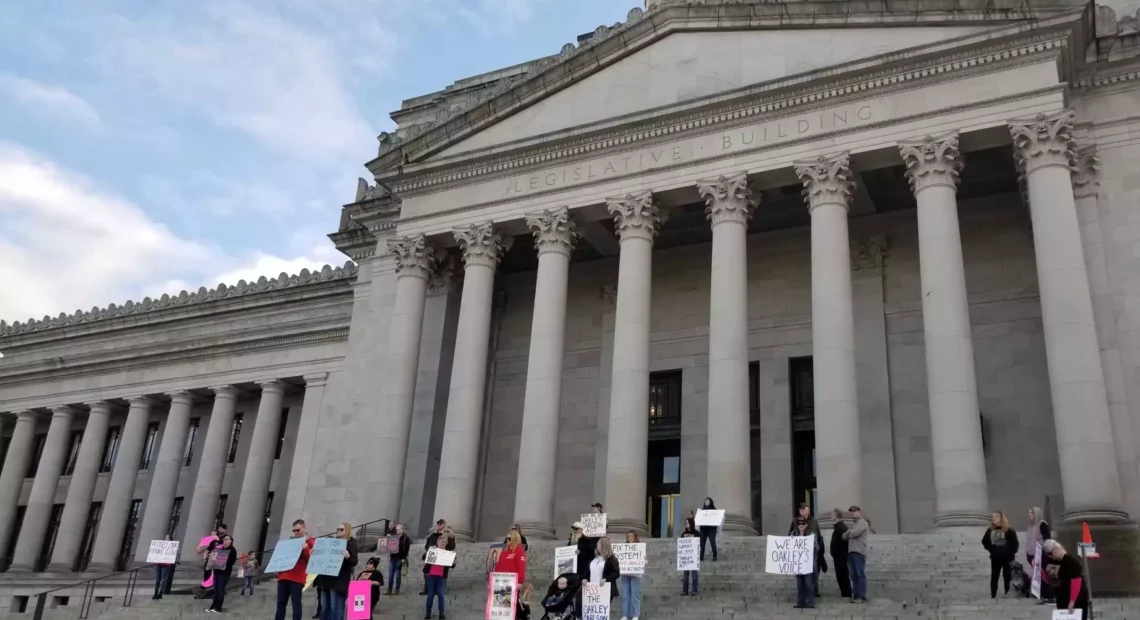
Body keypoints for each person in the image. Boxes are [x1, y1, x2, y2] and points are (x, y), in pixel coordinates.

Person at [316, 522, 360, 620]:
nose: (338, 531)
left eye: (341, 529)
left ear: (347, 531)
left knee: (335, 608)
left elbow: (354, 561)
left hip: (338, 581)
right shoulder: (332, 543)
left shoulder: (351, 543)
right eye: (337, 529)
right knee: (324, 607)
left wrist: (348, 556)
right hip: (326, 579)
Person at [276, 519, 316, 620]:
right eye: (294, 531)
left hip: (297, 578)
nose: (296, 533)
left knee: (296, 604)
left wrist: (306, 549)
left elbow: (312, 560)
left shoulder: (310, 542)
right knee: (280, 604)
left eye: (298, 530)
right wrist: (277, 568)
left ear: (304, 528)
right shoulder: (290, 542)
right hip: (284, 576)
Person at [1042, 540, 1089, 619]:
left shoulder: (1071, 562)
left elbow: (1076, 582)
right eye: (1048, 555)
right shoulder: (1052, 561)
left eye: (1051, 553)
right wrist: (1040, 572)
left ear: (1056, 548)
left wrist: (1072, 601)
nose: (1050, 556)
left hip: (1077, 598)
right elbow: (1051, 581)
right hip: (1061, 597)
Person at [787, 503, 823, 597]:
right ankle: (803, 592)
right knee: (801, 572)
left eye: (804, 509)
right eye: (800, 509)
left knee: (813, 571)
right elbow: (790, 534)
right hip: (799, 551)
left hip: (812, 550)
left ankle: (814, 590)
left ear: (808, 510)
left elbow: (818, 535)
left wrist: (820, 549)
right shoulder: (795, 521)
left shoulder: (814, 521)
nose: (802, 510)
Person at [982, 511, 1019, 598]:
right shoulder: (990, 530)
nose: (994, 518)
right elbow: (984, 541)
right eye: (993, 517)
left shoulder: (1009, 530)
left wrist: (1011, 551)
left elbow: (1015, 543)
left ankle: (1007, 592)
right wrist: (991, 549)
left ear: (1001, 518)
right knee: (994, 576)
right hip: (995, 557)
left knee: (1007, 576)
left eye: (996, 517)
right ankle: (993, 594)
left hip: (1008, 557)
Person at [1025, 506, 1054, 603]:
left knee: (1044, 574)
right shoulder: (1030, 526)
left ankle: (1049, 595)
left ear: (1036, 514)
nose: (1029, 515)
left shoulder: (1042, 524)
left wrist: (1046, 552)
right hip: (1031, 554)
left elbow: (1047, 539)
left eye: (1031, 513)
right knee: (1038, 575)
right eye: (1029, 513)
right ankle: (1040, 593)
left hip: (1041, 554)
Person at [793, 518, 822, 609]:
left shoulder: (811, 534)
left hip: (808, 564)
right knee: (800, 584)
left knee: (808, 583)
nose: (801, 525)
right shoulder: (793, 535)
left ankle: (810, 602)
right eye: (799, 523)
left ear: (806, 525)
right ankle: (801, 602)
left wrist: (810, 542)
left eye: (803, 523)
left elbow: (817, 548)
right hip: (798, 564)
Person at [842, 505, 869, 603]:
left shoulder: (862, 522)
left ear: (859, 511)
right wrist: (850, 532)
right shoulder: (854, 524)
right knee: (853, 575)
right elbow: (844, 536)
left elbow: (854, 533)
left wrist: (850, 532)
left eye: (854, 511)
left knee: (859, 574)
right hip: (851, 552)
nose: (852, 513)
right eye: (851, 511)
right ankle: (856, 595)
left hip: (859, 552)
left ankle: (861, 596)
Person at [424, 533, 454, 620]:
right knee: (430, 595)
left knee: (441, 595)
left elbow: (452, 565)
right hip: (431, 575)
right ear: (438, 541)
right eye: (442, 541)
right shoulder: (433, 550)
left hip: (441, 576)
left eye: (445, 542)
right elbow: (424, 558)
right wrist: (428, 553)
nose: (443, 543)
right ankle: (428, 613)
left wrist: (453, 559)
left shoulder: (447, 553)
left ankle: (441, 613)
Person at [420, 520, 454, 595]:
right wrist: (428, 550)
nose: (439, 525)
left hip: (443, 557)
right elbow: (428, 544)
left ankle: (439, 590)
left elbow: (451, 547)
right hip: (433, 555)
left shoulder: (449, 539)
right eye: (438, 524)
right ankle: (427, 589)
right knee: (428, 572)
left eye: (440, 524)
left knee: (442, 574)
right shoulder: (433, 535)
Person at [207, 535, 238, 613]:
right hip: (217, 571)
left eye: (227, 539)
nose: (225, 540)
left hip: (224, 572)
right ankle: (212, 607)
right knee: (216, 590)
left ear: (231, 541)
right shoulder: (221, 549)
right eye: (224, 539)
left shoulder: (232, 550)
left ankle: (218, 608)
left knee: (220, 590)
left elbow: (232, 561)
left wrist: (224, 560)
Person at [618, 531, 642, 620]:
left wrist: (644, 560)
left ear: (635, 537)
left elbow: (643, 558)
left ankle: (636, 615)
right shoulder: (624, 548)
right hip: (625, 574)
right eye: (628, 536)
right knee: (625, 595)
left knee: (635, 596)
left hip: (636, 574)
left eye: (632, 536)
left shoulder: (640, 547)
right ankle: (625, 615)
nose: (630, 538)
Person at [589, 537, 620, 603]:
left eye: (599, 543)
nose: (597, 544)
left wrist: (606, 579)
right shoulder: (593, 557)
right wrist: (584, 578)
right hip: (592, 589)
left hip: (604, 588)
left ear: (604, 545)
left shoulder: (611, 559)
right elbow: (587, 570)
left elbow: (616, 573)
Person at [829, 508, 852, 599]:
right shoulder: (839, 527)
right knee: (841, 575)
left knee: (842, 575)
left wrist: (837, 553)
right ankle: (845, 592)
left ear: (836, 516)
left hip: (841, 557)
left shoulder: (841, 527)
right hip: (839, 556)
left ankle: (846, 593)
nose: (831, 517)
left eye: (832, 515)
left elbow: (843, 542)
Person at [388, 523, 411, 595]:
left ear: (403, 530)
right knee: (390, 574)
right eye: (396, 528)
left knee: (398, 574)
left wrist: (404, 558)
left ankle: (397, 589)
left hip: (400, 558)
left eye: (399, 528)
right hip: (393, 557)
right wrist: (387, 538)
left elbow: (407, 549)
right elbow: (389, 546)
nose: (397, 530)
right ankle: (389, 590)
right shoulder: (393, 537)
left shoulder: (406, 538)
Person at [153, 534, 175, 600]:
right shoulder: (160, 545)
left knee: (163, 580)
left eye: (168, 537)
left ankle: (160, 593)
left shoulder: (172, 546)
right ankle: (155, 593)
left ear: (170, 538)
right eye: (165, 537)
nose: (166, 538)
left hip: (166, 564)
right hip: (158, 563)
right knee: (157, 580)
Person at [697, 497, 719, 562]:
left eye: (708, 501)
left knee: (712, 542)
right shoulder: (702, 511)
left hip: (711, 529)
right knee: (702, 543)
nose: (706, 502)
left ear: (711, 502)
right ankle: (701, 556)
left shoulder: (714, 510)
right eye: (705, 501)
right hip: (703, 529)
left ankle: (714, 555)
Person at [680, 522, 699, 596]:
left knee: (694, 575)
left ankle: (694, 590)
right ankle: (685, 590)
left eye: (688, 523)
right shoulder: (684, 533)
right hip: (686, 557)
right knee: (685, 576)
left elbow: (699, 542)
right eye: (686, 523)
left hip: (693, 557)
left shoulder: (697, 533)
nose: (687, 524)